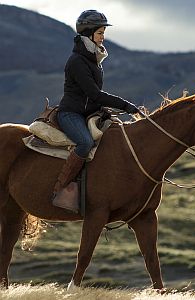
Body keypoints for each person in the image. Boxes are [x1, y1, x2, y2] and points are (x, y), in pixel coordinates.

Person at [52, 10, 140, 212]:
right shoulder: (77, 61)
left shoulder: (94, 59)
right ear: (89, 33)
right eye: (100, 33)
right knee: (85, 143)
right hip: (70, 114)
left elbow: (94, 98)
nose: (103, 37)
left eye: (103, 33)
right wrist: (126, 106)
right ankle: (61, 189)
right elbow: (94, 94)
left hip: (88, 113)